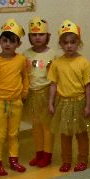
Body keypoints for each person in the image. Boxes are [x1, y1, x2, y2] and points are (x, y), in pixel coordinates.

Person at [0, 19, 29, 176]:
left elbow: (25, 77)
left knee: (13, 134)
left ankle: (13, 160)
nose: (8, 44)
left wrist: (24, 93)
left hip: (16, 102)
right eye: (5, 40)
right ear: (0, 41)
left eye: (12, 41)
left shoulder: (21, 59)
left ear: (18, 44)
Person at [48, 20, 90, 172]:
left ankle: (83, 160)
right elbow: (53, 84)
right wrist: (51, 103)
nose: (69, 46)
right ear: (60, 44)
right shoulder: (57, 63)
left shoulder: (84, 62)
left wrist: (88, 105)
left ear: (78, 43)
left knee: (81, 133)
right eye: (65, 43)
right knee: (65, 134)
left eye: (73, 42)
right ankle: (66, 160)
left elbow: (87, 85)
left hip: (79, 102)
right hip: (63, 103)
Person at [23, 17, 56, 168]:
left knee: (47, 126)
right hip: (32, 94)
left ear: (47, 36)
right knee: (36, 125)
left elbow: (55, 77)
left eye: (41, 34)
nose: (37, 37)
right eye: (34, 35)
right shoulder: (25, 54)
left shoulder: (53, 54)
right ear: (30, 37)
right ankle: (39, 152)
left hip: (47, 93)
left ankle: (48, 154)